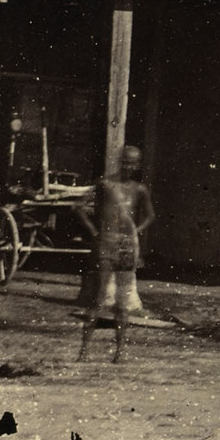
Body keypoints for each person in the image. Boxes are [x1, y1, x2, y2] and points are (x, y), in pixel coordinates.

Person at [76, 145, 154, 364]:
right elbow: (79, 206)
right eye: (126, 161)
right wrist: (95, 232)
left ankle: (119, 353)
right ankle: (83, 351)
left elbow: (149, 215)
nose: (129, 166)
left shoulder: (140, 190)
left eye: (134, 163)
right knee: (99, 298)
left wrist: (134, 232)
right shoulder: (105, 183)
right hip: (106, 245)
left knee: (123, 302)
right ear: (120, 161)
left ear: (138, 165)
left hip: (127, 248)